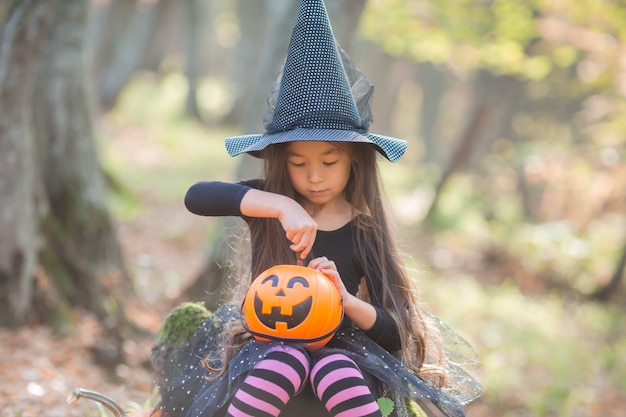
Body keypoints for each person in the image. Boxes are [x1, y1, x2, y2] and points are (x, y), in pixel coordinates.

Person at [156, 1, 482, 416]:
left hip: (343, 350)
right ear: (281, 162)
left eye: (329, 162)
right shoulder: (269, 208)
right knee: (284, 359)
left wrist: (345, 299)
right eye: (298, 163)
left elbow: (394, 331)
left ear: (354, 161)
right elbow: (197, 196)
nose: (314, 177)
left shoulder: (364, 230)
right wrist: (277, 206)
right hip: (267, 345)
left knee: (334, 367)